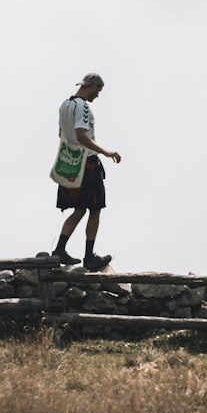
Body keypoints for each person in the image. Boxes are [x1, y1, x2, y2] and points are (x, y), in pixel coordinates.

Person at [52, 73, 121, 268]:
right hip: (88, 163)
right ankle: (89, 257)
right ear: (92, 86)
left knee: (79, 208)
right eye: (98, 90)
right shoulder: (82, 106)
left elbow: (61, 134)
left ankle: (59, 249)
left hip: (71, 164)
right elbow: (81, 135)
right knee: (95, 208)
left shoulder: (65, 104)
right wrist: (106, 152)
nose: (98, 95)